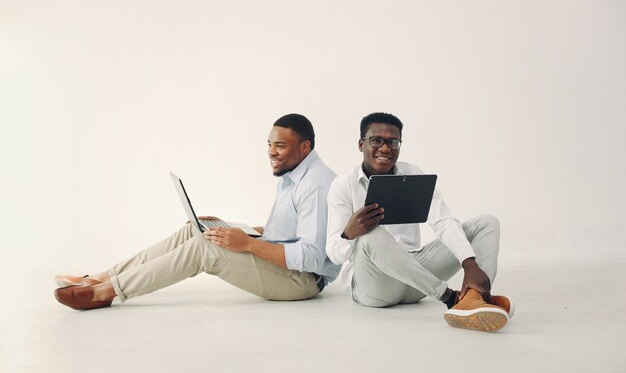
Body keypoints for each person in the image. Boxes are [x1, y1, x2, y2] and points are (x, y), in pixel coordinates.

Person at [54, 113, 339, 310]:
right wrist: (234, 228)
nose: (271, 152)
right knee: (196, 229)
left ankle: (106, 292)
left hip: (301, 281)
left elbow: (312, 256)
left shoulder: (315, 184)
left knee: (205, 248)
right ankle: (101, 277)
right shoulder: (296, 172)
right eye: (269, 144)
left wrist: (249, 244)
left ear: (305, 147)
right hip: (285, 267)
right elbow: (291, 233)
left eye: (280, 145)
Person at [325, 112, 514, 332]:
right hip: (376, 287)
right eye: (376, 141)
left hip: (415, 279)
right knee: (371, 233)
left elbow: (443, 221)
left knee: (486, 223)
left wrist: (469, 264)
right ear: (361, 144)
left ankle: (475, 298)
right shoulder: (343, 186)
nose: (385, 149)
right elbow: (334, 254)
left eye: (393, 142)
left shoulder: (411, 174)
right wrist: (349, 234)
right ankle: (452, 300)